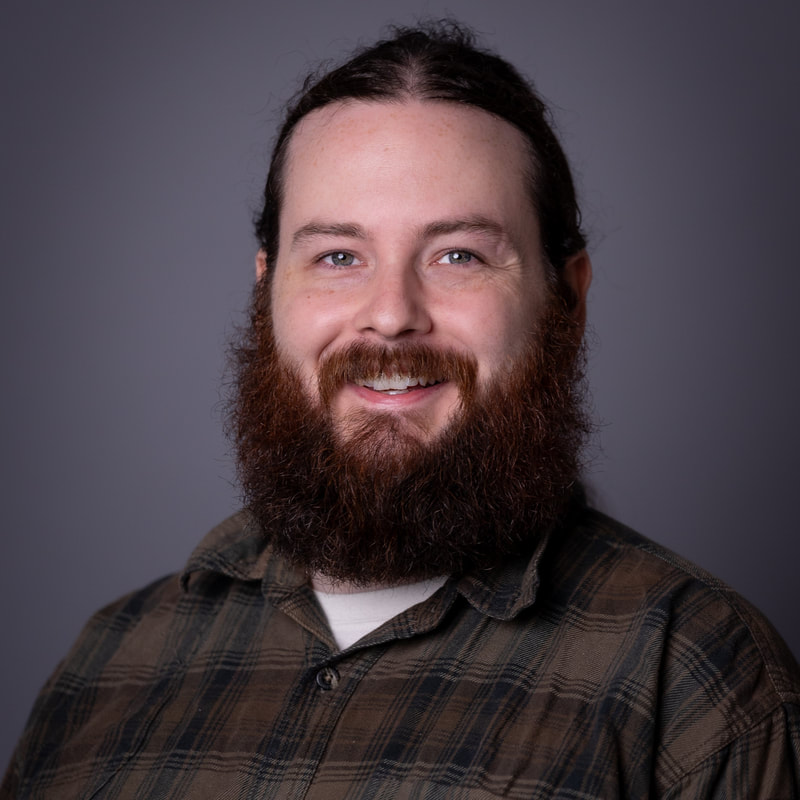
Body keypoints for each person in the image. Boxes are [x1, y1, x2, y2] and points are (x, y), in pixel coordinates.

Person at [3, 21, 799, 799]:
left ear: (569, 298)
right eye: (338, 257)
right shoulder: (108, 664)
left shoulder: (698, 680)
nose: (390, 315)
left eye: (458, 255)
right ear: (265, 290)